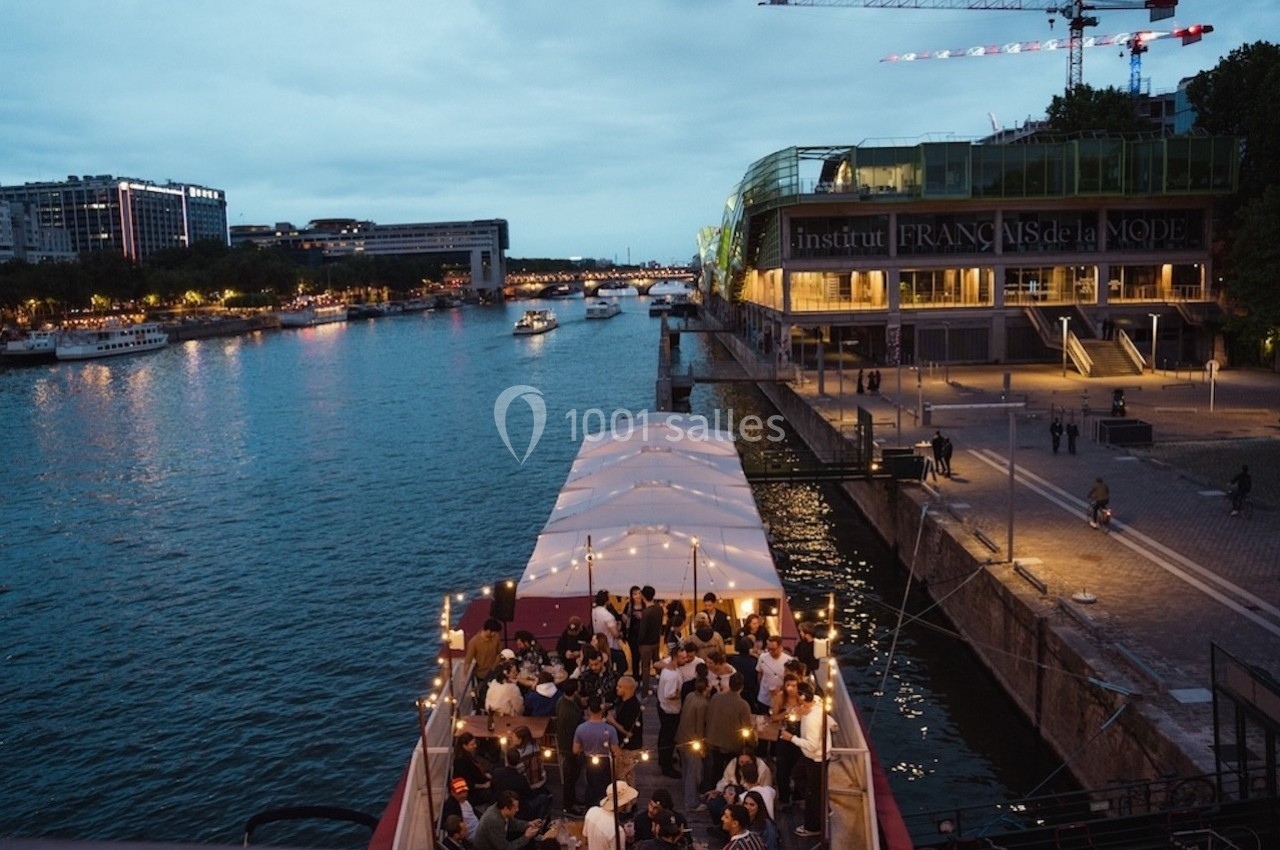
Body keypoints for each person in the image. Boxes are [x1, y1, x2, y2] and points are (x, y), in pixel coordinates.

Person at [778, 689, 830, 838]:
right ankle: (816, 800)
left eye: (799, 705)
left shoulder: (813, 719)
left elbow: (812, 745)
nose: (796, 708)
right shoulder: (815, 704)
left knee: (812, 793)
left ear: (805, 704)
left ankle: (813, 826)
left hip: (815, 758)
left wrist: (791, 738)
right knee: (797, 774)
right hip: (808, 757)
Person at [704, 672, 754, 782]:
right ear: (742, 687)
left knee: (716, 769)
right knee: (732, 771)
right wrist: (753, 742)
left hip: (713, 740)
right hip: (732, 745)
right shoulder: (743, 704)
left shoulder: (716, 697)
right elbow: (747, 727)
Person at [572, 695, 620, 809]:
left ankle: (591, 808)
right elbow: (616, 751)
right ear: (602, 709)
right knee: (605, 787)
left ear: (588, 710)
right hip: (605, 761)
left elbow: (575, 750)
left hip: (589, 760)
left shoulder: (581, 728)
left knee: (590, 785)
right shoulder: (610, 729)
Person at [674, 674, 710, 811]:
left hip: (681, 737)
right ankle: (691, 802)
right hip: (692, 742)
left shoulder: (690, 696)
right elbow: (700, 727)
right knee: (693, 773)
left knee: (686, 770)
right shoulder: (703, 704)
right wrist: (701, 746)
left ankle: (689, 794)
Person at [491, 747, 551, 822]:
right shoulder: (521, 778)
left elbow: (493, 788)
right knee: (544, 798)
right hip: (518, 810)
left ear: (506, 759)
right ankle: (538, 822)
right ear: (519, 761)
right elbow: (529, 795)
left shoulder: (497, 772)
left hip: (499, 805)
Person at [554, 679, 585, 813]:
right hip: (570, 748)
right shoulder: (570, 712)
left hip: (564, 744)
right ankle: (569, 804)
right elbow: (575, 732)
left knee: (571, 777)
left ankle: (572, 800)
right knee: (571, 777)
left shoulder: (561, 702)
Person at [473, 790, 541, 850]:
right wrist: (526, 837)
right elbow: (505, 848)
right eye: (515, 808)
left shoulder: (501, 810)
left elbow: (513, 824)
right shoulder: (494, 821)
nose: (517, 810)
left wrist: (529, 824)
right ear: (506, 808)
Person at [608, 676, 644, 784]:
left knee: (625, 777)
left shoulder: (632, 707)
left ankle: (629, 800)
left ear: (627, 689)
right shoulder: (622, 701)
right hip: (621, 745)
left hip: (629, 749)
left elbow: (629, 732)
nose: (616, 688)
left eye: (619, 686)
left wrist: (612, 721)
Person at [584, 781, 639, 850]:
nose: (630, 803)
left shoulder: (592, 811)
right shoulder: (617, 831)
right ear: (624, 803)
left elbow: (586, 840)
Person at [464, 618, 503, 698]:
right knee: (485, 695)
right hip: (482, 674)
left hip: (495, 671)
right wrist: (464, 675)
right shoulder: (474, 642)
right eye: (494, 632)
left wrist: (497, 663)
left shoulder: (496, 637)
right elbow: (468, 660)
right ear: (488, 630)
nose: (495, 634)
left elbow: (500, 652)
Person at [452, 732, 493, 805]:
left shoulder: (469, 756)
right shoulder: (461, 761)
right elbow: (468, 783)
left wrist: (485, 775)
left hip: (479, 782)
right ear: (464, 746)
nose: (475, 746)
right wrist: (483, 786)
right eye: (472, 744)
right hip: (472, 792)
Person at [755, 635, 792, 714]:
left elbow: (791, 680)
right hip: (764, 698)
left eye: (774, 649)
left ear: (780, 647)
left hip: (781, 700)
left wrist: (781, 689)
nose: (771, 652)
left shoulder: (788, 660)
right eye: (769, 649)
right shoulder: (762, 657)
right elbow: (759, 674)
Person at [637, 586, 664, 694]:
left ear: (643, 596)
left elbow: (642, 631)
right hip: (656, 642)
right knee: (657, 664)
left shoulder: (646, 612)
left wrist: (639, 642)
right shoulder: (658, 609)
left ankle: (644, 692)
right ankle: (662, 684)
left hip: (646, 644)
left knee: (645, 668)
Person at [592, 590, 626, 673]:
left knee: (606, 667)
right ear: (607, 601)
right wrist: (620, 632)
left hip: (599, 643)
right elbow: (615, 634)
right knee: (623, 665)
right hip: (611, 645)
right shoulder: (608, 616)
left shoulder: (594, 611)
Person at [440, 777, 479, 842]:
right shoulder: (450, 807)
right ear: (452, 793)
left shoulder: (466, 801)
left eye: (465, 791)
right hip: (472, 839)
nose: (463, 795)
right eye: (460, 793)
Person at [622, 585, 646, 678]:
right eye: (635, 594)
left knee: (643, 656)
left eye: (639, 593)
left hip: (643, 635)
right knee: (635, 656)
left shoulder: (645, 605)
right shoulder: (628, 606)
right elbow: (624, 619)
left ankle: (644, 676)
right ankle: (635, 675)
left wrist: (642, 616)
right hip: (632, 635)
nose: (638, 596)